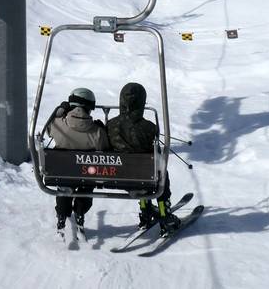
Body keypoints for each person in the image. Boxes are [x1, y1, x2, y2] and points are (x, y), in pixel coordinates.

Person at [106, 82, 180, 235]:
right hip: (144, 178)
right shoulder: (149, 127)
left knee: (144, 172)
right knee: (159, 173)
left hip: (117, 178)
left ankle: (145, 211)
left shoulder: (111, 125)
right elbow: (156, 153)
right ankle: (164, 214)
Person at [47, 87, 109, 233]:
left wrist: (60, 112)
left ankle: (62, 216)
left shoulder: (58, 124)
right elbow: (105, 148)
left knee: (64, 184)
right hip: (87, 174)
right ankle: (80, 211)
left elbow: (48, 129)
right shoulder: (97, 131)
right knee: (87, 183)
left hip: (62, 173)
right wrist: (103, 129)